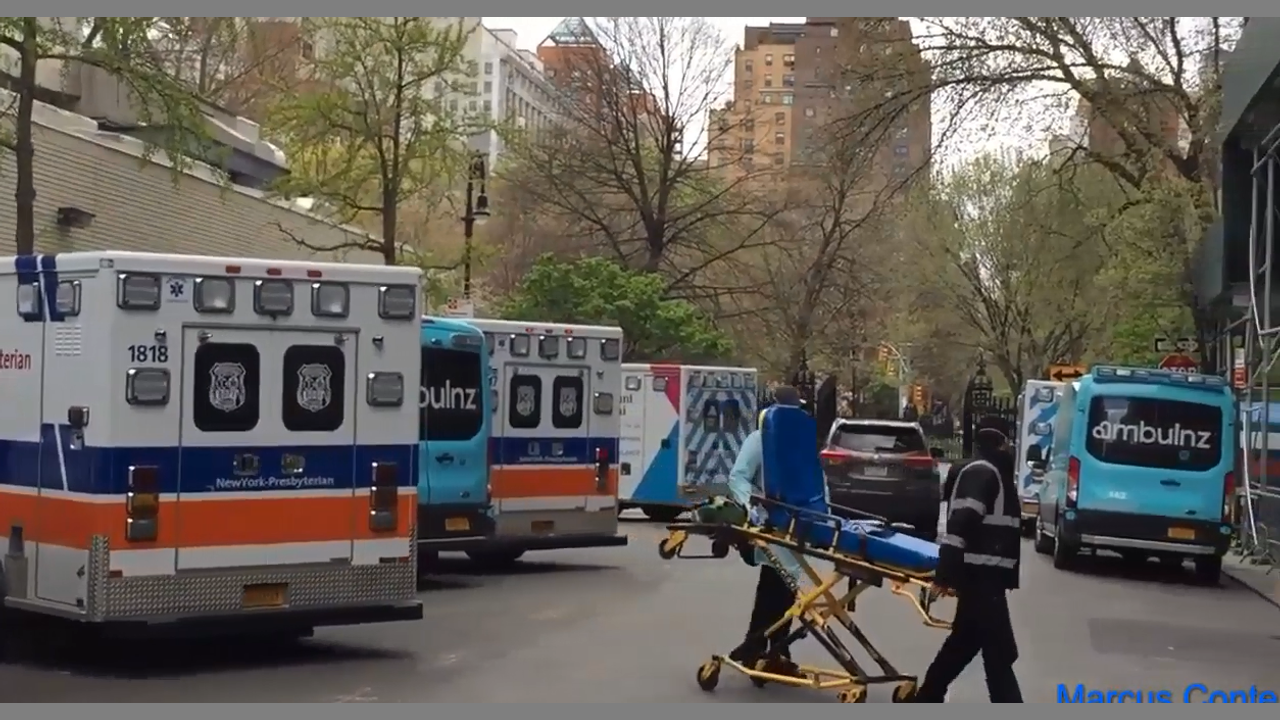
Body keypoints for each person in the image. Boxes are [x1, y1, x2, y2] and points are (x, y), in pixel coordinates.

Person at [914, 416, 1024, 703]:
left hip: (986, 577)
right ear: (1003, 442)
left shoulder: (993, 472)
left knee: (964, 644)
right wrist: (944, 574)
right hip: (981, 577)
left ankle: (927, 697)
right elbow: (959, 525)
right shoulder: (982, 472)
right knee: (998, 654)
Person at [725, 385, 805, 674]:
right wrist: (753, 509)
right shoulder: (760, 441)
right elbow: (739, 477)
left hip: (798, 524)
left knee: (783, 586)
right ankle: (767, 647)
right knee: (777, 586)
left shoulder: (801, 444)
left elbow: (816, 483)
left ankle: (763, 646)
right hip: (769, 524)